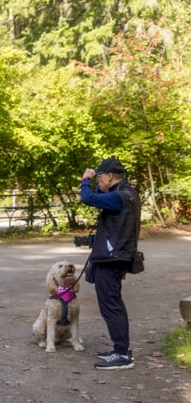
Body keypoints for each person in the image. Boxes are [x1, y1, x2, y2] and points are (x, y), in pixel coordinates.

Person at [80, 157, 141, 370]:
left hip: (111, 259)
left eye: (98, 177)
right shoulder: (130, 194)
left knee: (111, 306)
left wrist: (84, 180)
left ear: (108, 176)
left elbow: (87, 198)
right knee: (114, 304)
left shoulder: (118, 197)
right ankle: (119, 349)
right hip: (117, 257)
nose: (97, 181)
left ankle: (122, 354)